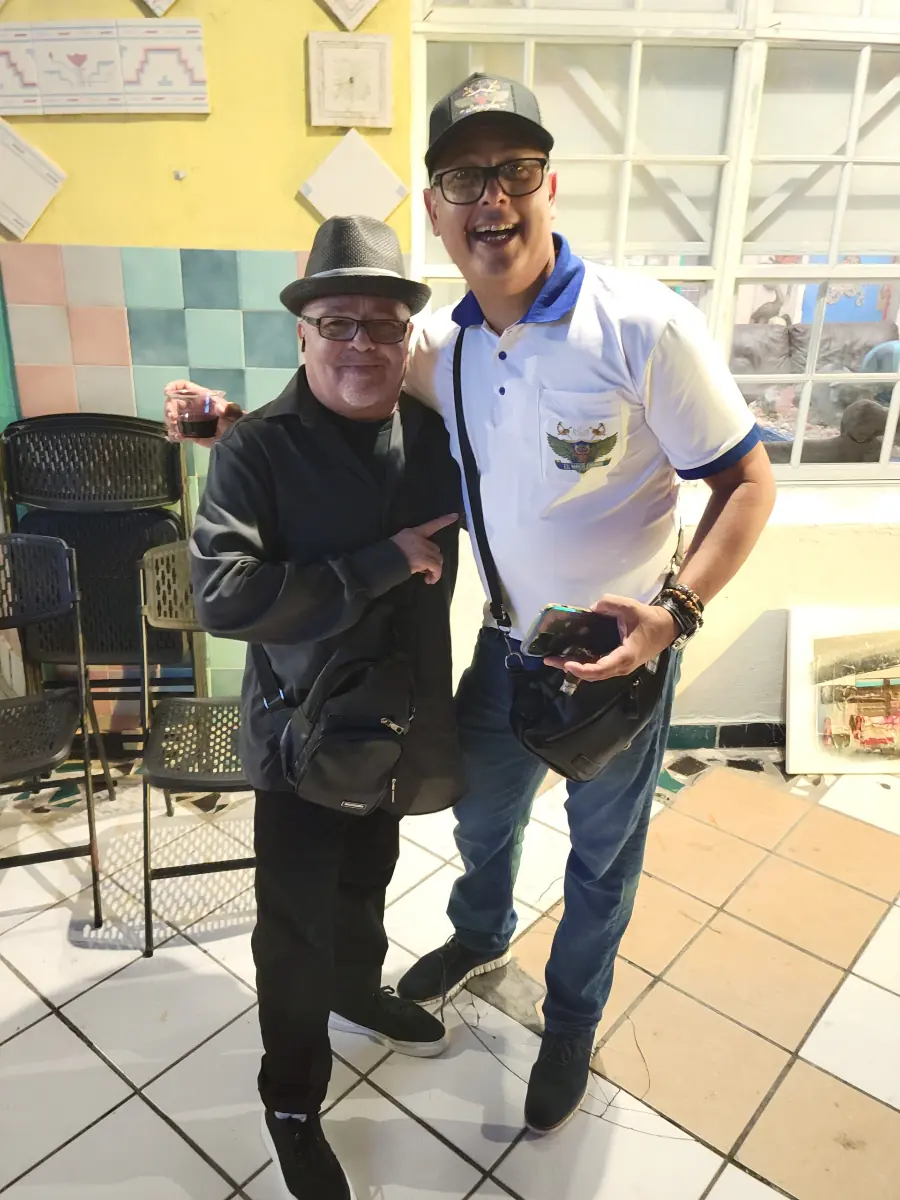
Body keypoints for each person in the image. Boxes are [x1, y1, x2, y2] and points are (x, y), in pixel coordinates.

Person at [171, 73, 775, 1139]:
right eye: (464, 177)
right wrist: (234, 424)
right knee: (481, 819)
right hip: (503, 652)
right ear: (439, 210)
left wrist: (673, 616)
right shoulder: (444, 351)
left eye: (514, 171)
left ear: (550, 186)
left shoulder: (643, 325)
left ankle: (571, 1022)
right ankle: (481, 934)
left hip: (620, 652)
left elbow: (748, 482)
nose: (492, 197)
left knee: (601, 856)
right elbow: (333, 389)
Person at [186, 215, 465, 1200]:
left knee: (367, 881)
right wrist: (378, 564)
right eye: (338, 322)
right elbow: (222, 597)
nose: (361, 344)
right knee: (295, 927)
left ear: (406, 337)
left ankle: (359, 992)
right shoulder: (257, 450)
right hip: (299, 741)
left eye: (383, 325)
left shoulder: (435, 439)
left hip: (401, 724)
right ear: (302, 332)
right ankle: (293, 1102)